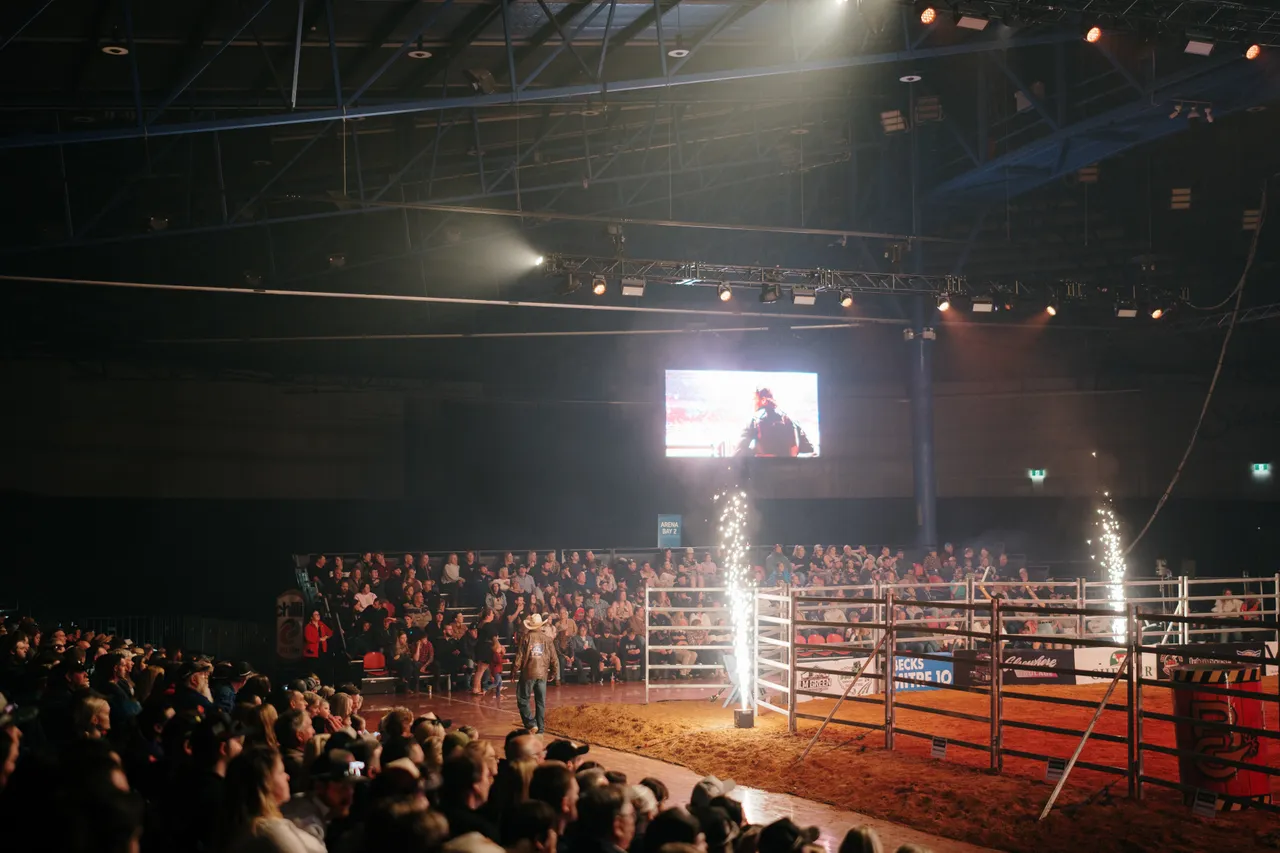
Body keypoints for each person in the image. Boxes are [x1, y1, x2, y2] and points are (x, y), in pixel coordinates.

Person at [217, 745, 326, 852]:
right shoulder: (269, 831)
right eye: (281, 772)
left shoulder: (245, 828)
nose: (287, 776)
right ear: (266, 783)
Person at [733, 386, 815, 458]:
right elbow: (810, 452)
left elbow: (738, 454)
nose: (752, 404)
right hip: (790, 473)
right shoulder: (790, 420)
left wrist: (753, 454)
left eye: (754, 399)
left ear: (763, 400)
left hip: (763, 473)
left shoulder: (753, 421)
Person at [513, 613, 559, 734]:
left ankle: (531, 723)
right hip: (542, 674)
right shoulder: (547, 639)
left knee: (523, 699)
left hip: (528, 673)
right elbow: (554, 658)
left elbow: (519, 657)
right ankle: (541, 728)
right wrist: (554, 672)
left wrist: (513, 672)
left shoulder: (525, 638)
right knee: (540, 702)